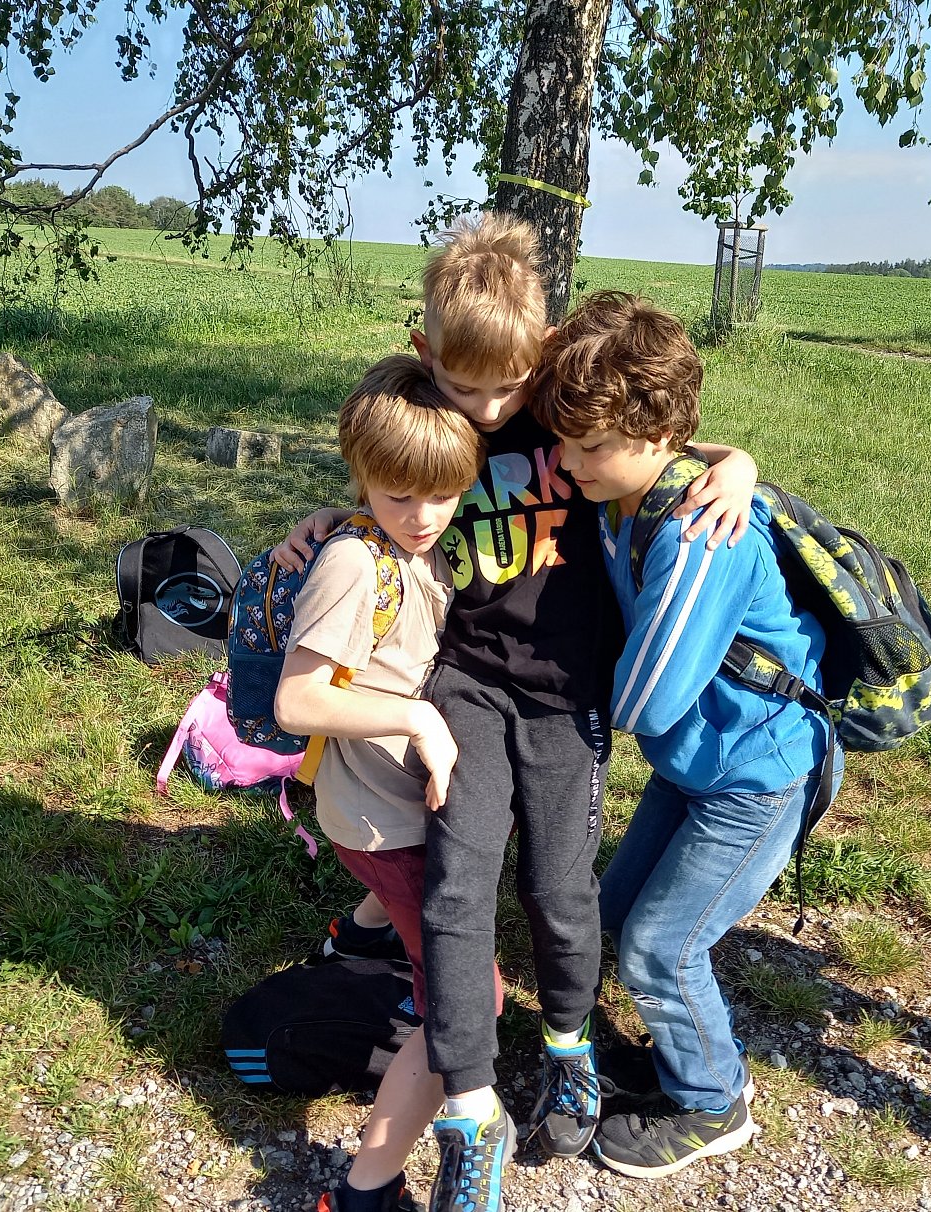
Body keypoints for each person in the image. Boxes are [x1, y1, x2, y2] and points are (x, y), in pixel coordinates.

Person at [275, 213, 760, 1212]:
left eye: (509, 385)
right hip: (465, 684)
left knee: (559, 886)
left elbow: (654, 441)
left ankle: (569, 1047)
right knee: (459, 887)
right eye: (469, 388)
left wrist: (738, 459)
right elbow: (390, 472)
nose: (491, 408)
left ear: (539, 351)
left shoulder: (554, 405)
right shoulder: (436, 409)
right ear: (427, 355)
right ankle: (468, 1111)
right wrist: (331, 520)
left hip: (567, 693)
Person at [528, 290, 840, 1178]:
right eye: (563, 439)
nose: (568, 462)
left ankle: (713, 1100)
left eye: (589, 446)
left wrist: (545, 707)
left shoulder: (700, 532)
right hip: (697, 765)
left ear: (657, 435)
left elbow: (650, 701)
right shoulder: (627, 489)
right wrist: (734, 456)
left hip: (755, 775)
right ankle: (674, 1059)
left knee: (661, 947)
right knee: (617, 915)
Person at [269, 355, 490, 1212]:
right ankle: (366, 1188)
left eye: (444, 495)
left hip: (378, 811)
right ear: (362, 476)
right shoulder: (356, 564)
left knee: (414, 919)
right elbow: (297, 700)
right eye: (399, 496)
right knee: (472, 1002)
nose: (425, 516)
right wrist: (416, 720)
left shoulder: (401, 539)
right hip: (385, 825)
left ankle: (360, 940)